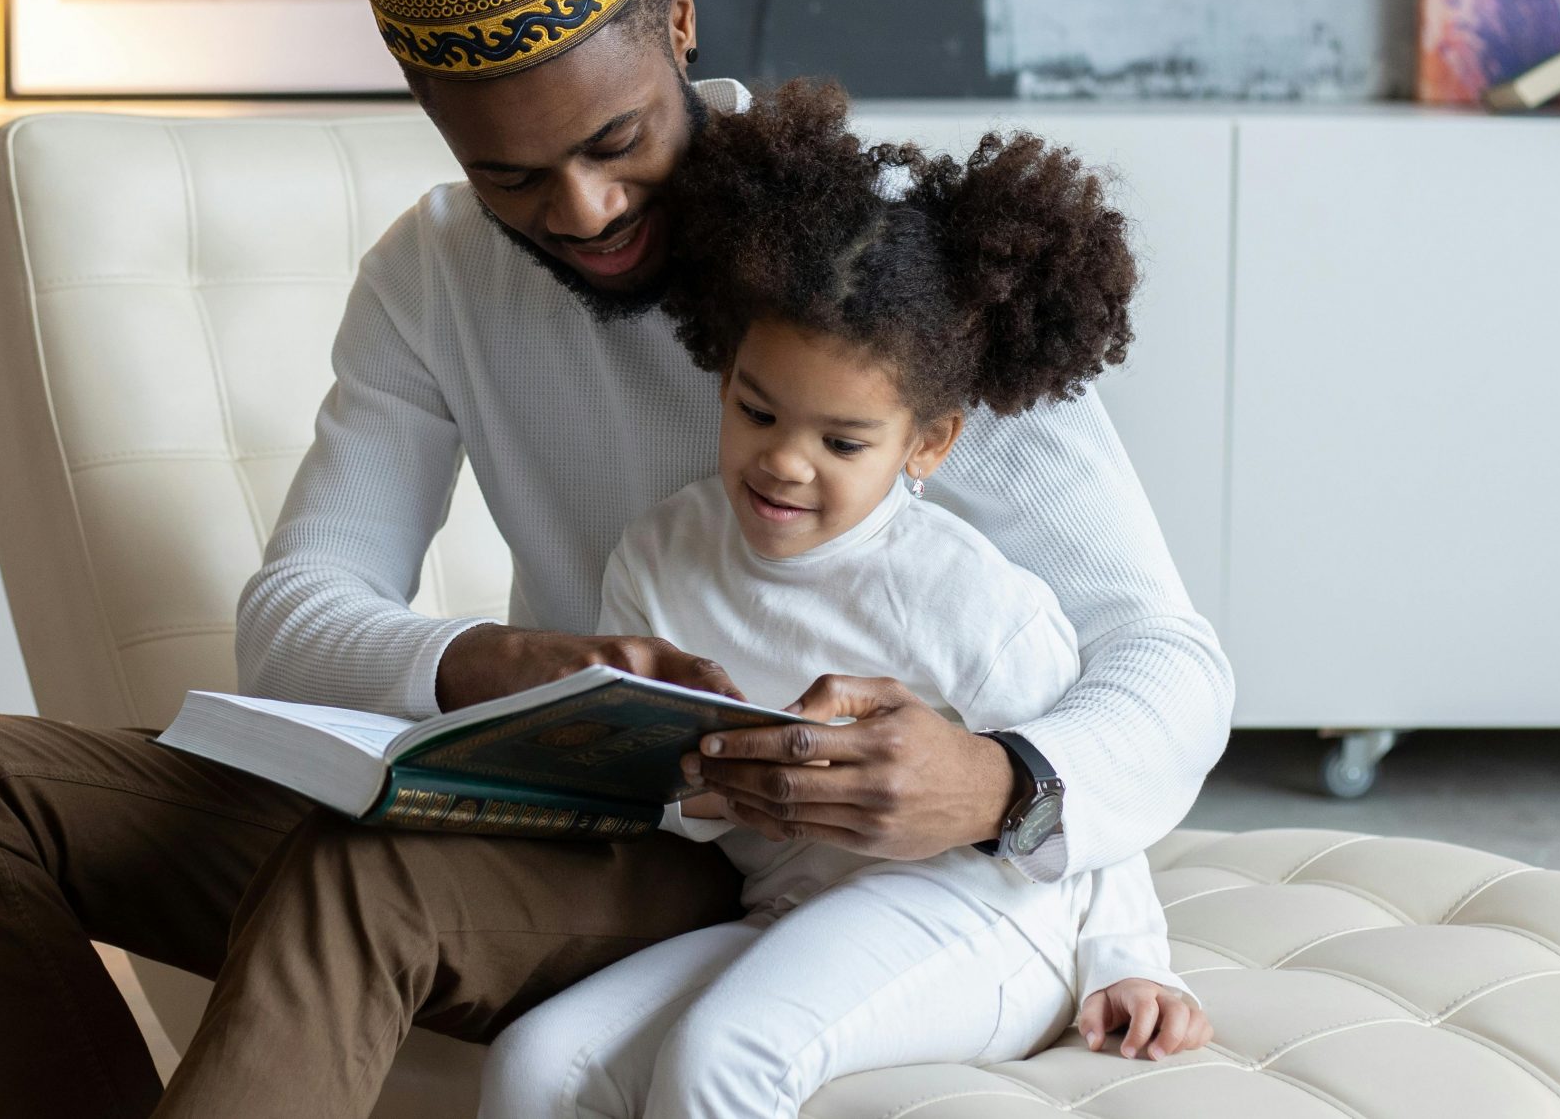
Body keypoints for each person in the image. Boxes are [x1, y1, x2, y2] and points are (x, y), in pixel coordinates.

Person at [0, 0, 1234, 1119]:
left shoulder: (881, 276)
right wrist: (499, 665)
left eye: (616, 139)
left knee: (361, 879)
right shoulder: (435, 271)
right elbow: (295, 611)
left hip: (723, 862)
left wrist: (1001, 783)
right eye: (510, 173)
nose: (582, 211)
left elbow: (1164, 655)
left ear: (680, 18)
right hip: (532, 801)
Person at [479, 79, 1211, 1118]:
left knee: (723, 1054)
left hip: (983, 917)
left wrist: (1133, 963)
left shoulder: (961, 591)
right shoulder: (655, 557)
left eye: (842, 441)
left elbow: (1082, 796)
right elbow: (667, 808)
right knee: (535, 1065)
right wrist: (696, 788)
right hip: (791, 913)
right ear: (720, 373)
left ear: (927, 444)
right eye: (756, 411)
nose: (783, 463)